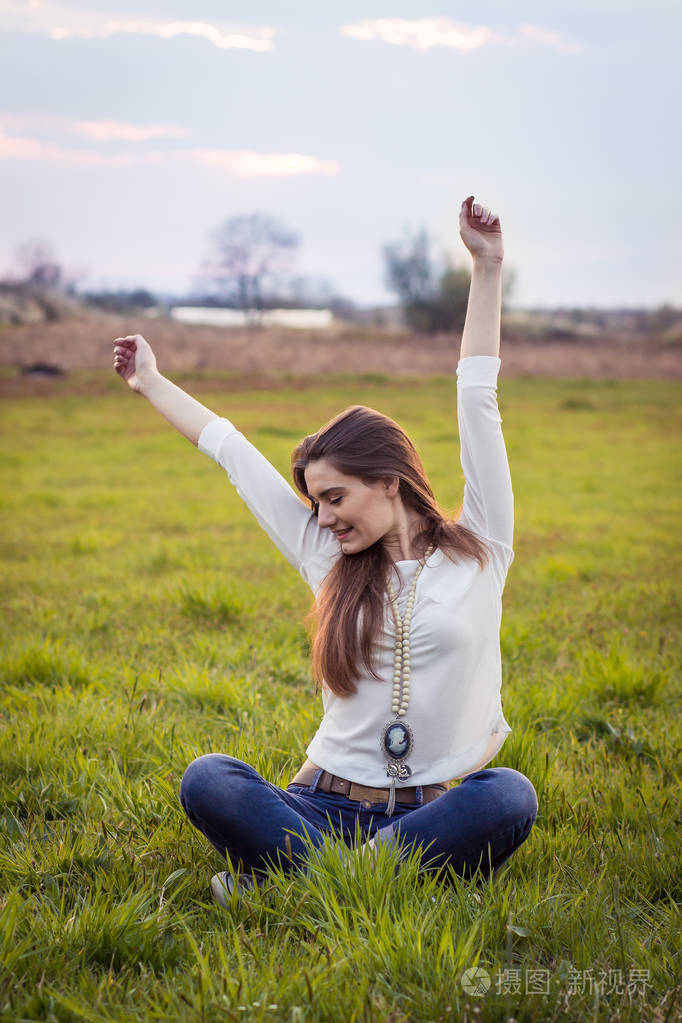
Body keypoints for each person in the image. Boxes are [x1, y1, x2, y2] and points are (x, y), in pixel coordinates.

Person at [113, 194, 538, 905]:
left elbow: (478, 399)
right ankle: (358, 877)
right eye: (316, 503)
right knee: (210, 778)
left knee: (508, 795)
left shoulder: (482, 547)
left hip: (423, 816)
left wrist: (487, 266)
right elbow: (232, 452)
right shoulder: (331, 559)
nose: (325, 517)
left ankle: (299, 882)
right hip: (316, 806)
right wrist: (151, 382)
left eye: (336, 497)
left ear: (389, 480)